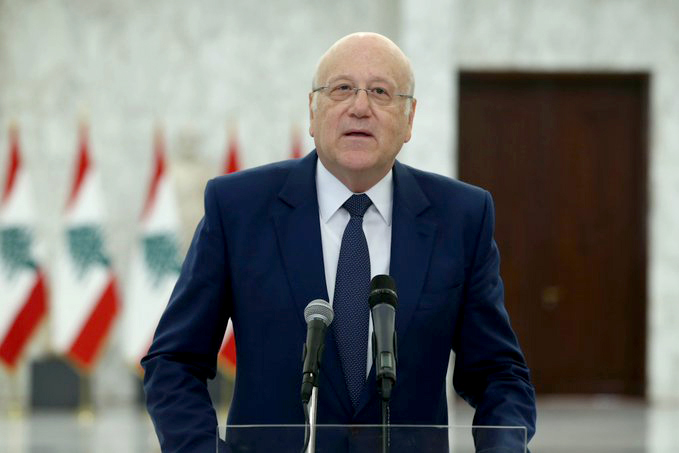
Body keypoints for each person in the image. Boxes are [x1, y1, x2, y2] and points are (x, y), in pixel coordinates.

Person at [142, 32, 536, 452]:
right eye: (342, 88)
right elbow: (174, 361)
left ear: (409, 120)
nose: (360, 107)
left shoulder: (460, 217)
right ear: (313, 112)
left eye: (380, 92)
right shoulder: (238, 208)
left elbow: (499, 375)